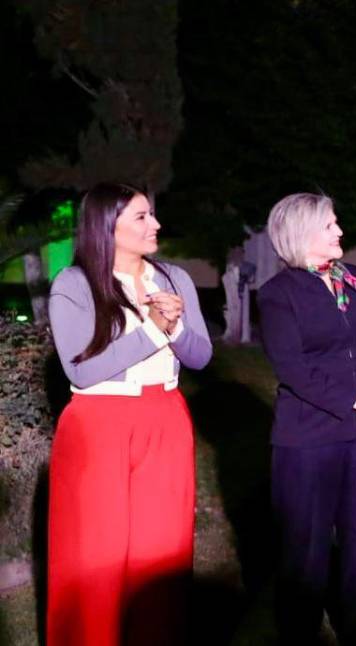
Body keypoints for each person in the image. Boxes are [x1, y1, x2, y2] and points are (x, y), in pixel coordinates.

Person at [46, 182, 212, 646]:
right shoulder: (74, 284)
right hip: (99, 424)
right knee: (96, 554)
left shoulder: (174, 277)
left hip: (166, 418)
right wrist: (155, 332)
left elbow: (200, 357)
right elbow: (82, 367)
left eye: (152, 215)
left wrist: (176, 329)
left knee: (160, 553)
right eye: (141, 216)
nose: (155, 224)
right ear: (107, 226)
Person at [258, 192, 356, 645]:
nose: (340, 232)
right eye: (330, 225)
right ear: (302, 234)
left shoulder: (355, 279)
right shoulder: (279, 295)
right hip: (309, 439)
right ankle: (299, 631)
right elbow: (293, 368)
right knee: (306, 549)